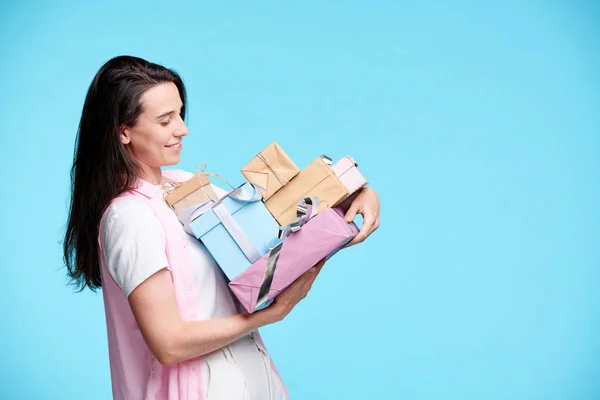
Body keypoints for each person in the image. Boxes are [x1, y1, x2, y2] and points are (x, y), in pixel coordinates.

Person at [63, 55, 380, 400]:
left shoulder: (188, 186)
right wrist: (267, 316)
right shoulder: (129, 218)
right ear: (123, 132)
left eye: (180, 114)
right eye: (165, 120)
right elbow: (168, 343)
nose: (182, 129)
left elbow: (278, 228)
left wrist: (353, 196)